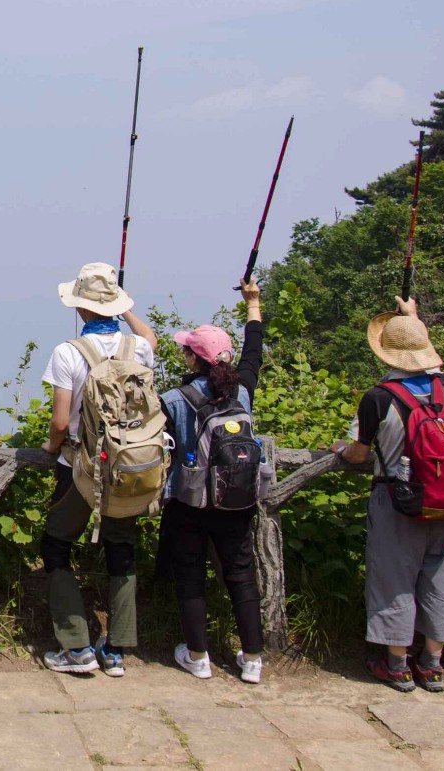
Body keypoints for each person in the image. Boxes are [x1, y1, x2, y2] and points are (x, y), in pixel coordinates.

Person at [332, 296, 444, 693]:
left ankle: (397, 664)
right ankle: (433, 664)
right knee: (439, 578)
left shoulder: (378, 398)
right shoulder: (443, 390)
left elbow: (358, 452)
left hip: (396, 496)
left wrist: (339, 449)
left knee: (394, 579)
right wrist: (413, 319)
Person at [39, 262, 159, 677]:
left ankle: (76, 648)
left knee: (56, 546)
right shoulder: (137, 350)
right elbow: (150, 338)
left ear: (79, 308)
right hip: (128, 466)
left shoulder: (68, 352)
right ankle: (117, 649)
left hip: (79, 466)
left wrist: (50, 447)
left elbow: (59, 423)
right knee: (121, 549)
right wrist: (125, 310)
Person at [157, 281, 266, 684]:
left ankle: (198, 656)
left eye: (186, 348)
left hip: (190, 501)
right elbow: (254, 347)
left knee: (190, 574)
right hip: (238, 499)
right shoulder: (243, 390)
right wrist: (252, 304)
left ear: (192, 358)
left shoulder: (175, 398)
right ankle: (252, 659)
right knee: (240, 572)